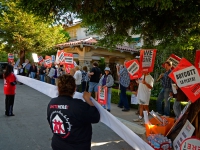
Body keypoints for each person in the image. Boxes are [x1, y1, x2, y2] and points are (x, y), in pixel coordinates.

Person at [47, 74, 100, 150]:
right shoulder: (79, 105)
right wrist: (87, 99)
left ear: (58, 88)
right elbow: (96, 117)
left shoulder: (52, 103)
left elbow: (50, 123)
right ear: (75, 88)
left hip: (58, 144)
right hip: (77, 147)